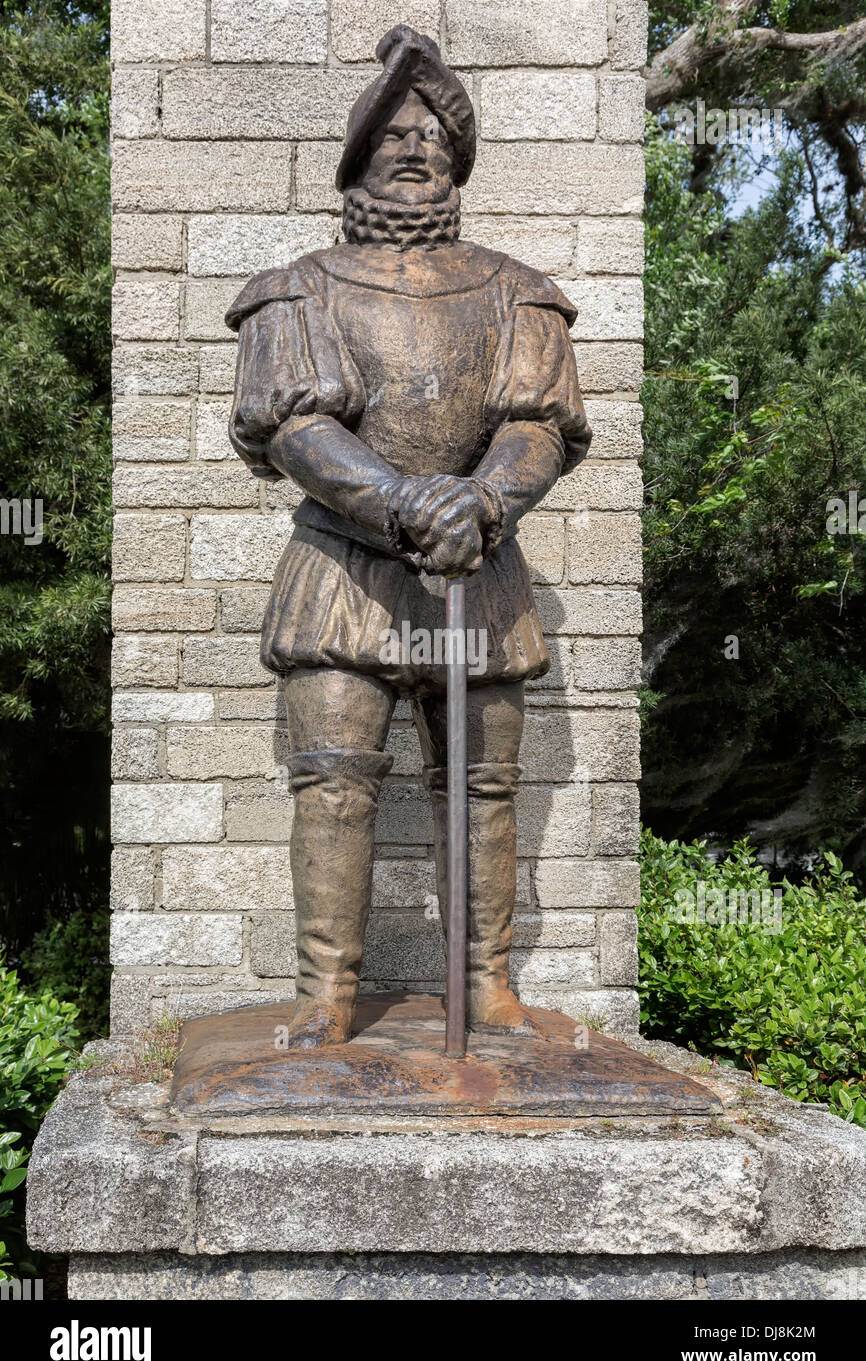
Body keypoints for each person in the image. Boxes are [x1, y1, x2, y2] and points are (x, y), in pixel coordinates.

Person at [227, 26, 592, 1048]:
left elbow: (538, 425)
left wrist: (482, 503)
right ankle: (326, 994)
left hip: (478, 563)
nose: (416, 147)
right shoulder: (301, 287)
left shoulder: (515, 290)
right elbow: (295, 428)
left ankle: (485, 984)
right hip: (343, 566)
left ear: (457, 159)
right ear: (358, 155)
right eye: (394, 132)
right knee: (333, 780)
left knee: (482, 787)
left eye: (434, 134)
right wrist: (399, 503)